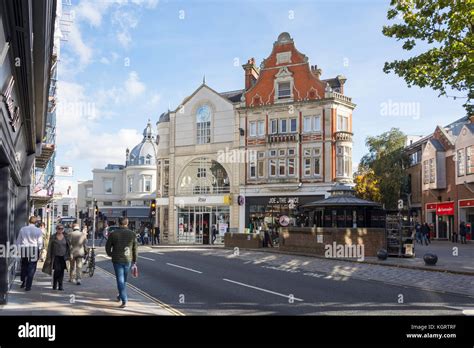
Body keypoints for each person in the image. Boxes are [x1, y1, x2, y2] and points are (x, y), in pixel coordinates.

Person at [105, 217, 137, 308]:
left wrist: (110, 254)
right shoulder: (132, 234)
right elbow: (135, 248)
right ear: (127, 223)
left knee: (120, 280)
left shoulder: (113, 234)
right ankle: (120, 295)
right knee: (124, 280)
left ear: (119, 223)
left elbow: (108, 246)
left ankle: (124, 299)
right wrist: (135, 260)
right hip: (128, 260)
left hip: (117, 260)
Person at [16, 216, 43, 291]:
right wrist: (40, 250)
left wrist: (18, 249)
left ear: (29, 221)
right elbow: (40, 242)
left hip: (24, 248)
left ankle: (23, 281)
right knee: (32, 267)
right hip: (34, 249)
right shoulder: (38, 230)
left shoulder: (23, 229)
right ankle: (28, 286)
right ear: (36, 222)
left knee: (24, 265)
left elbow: (18, 240)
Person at [42, 224, 70, 291]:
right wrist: (48, 257)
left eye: (61, 229)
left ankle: (60, 285)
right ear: (56, 229)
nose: (60, 230)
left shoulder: (66, 236)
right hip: (55, 257)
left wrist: (69, 255)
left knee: (62, 271)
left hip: (63, 257)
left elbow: (69, 246)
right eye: (59, 229)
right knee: (57, 270)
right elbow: (49, 247)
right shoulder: (53, 237)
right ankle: (55, 284)